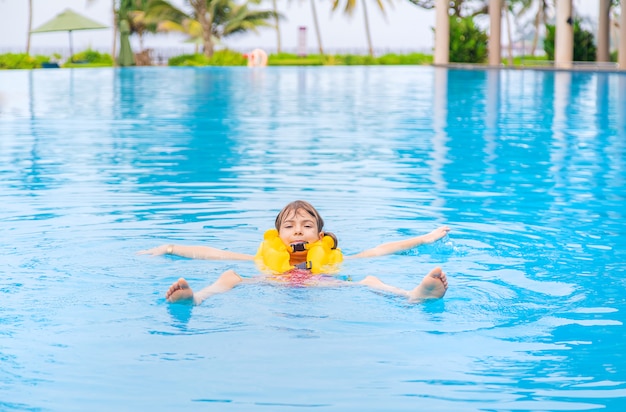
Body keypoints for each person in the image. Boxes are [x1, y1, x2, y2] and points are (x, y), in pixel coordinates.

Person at [139, 200, 450, 305]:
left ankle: (413, 297)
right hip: (271, 283)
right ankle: (197, 299)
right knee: (230, 274)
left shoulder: (334, 260)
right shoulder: (261, 259)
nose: (298, 230)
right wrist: (170, 248)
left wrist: (425, 238)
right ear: (279, 235)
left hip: (324, 283)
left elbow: (384, 249)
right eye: (289, 226)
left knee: (369, 278)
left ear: (320, 235)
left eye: (306, 225)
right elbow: (211, 252)